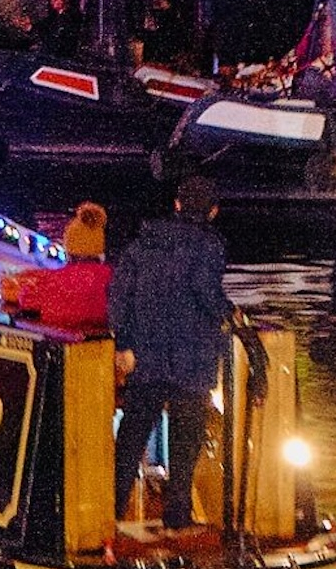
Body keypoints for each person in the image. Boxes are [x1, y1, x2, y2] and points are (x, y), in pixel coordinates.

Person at [109, 175, 233, 533]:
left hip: (145, 354)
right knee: (186, 436)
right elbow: (205, 290)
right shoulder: (209, 245)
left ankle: (113, 510)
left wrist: (125, 344)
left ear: (177, 204)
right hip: (191, 355)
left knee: (132, 434)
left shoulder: (141, 244)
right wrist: (228, 313)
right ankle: (177, 513)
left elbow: (119, 297)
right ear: (212, 211)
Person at [5, 202, 110, 331]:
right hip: (101, 342)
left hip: (59, 341)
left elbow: (27, 300)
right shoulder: (112, 278)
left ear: (69, 250)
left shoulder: (54, 281)